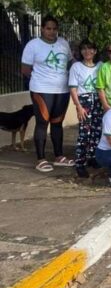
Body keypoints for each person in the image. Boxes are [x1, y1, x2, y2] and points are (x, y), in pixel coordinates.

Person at [21, 15, 74, 172]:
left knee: (57, 123)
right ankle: (41, 159)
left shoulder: (63, 43)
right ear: (42, 29)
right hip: (41, 90)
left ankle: (59, 156)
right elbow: (25, 70)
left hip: (62, 90)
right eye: (48, 28)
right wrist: (42, 80)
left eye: (54, 29)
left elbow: (70, 63)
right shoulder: (33, 45)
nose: (51, 32)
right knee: (42, 122)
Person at [68, 39, 103, 178]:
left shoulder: (100, 66)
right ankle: (80, 163)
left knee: (96, 132)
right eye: (84, 49)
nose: (87, 52)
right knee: (85, 133)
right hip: (84, 101)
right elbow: (73, 88)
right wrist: (79, 106)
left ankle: (92, 157)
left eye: (90, 49)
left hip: (98, 101)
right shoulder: (76, 67)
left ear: (95, 51)